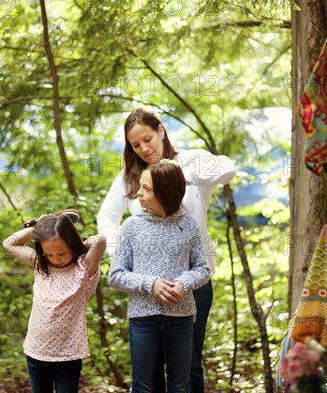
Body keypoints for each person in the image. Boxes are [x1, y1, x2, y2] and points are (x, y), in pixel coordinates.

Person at [97, 107, 237, 392]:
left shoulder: (191, 160)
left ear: (161, 130)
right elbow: (106, 219)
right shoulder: (131, 176)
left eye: (147, 139)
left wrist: (175, 176)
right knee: (149, 372)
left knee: (188, 367)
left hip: (194, 283)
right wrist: (124, 259)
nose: (144, 149)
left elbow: (228, 169)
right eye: (135, 145)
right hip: (148, 289)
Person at [108, 159, 211, 392]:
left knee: (179, 386)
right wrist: (150, 283)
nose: (139, 194)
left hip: (182, 319)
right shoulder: (131, 226)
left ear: (165, 192)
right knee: (143, 387)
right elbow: (115, 274)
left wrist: (183, 284)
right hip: (143, 319)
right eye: (140, 186)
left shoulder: (189, 224)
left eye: (146, 189)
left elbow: (203, 269)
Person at [2, 209, 106, 393]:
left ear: (72, 245)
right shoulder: (41, 265)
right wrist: (40, 225)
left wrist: (79, 245)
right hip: (36, 352)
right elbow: (9, 243)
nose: (56, 259)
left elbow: (99, 241)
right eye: (49, 254)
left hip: (67, 356)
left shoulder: (83, 268)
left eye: (61, 253)